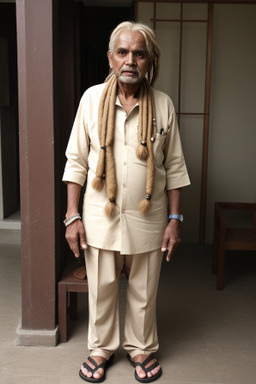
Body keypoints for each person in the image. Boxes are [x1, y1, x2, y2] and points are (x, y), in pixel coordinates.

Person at [63, 21, 190, 383]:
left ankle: (140, 346)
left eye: (139, 53)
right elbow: (76, 160)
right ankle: (101, 347)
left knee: (144, 289)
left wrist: (175, 219)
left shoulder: (163, 104)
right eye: (122, 52)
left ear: (150, 60)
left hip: (149, 218)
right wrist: (72, 216)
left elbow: (175, 165)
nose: (130, 60)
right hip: (99, 216)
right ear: (110, 58)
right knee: (101, 287)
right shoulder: (91, 99)